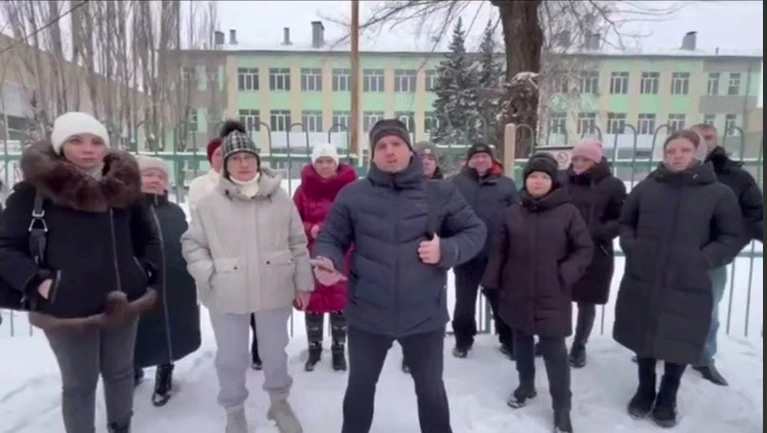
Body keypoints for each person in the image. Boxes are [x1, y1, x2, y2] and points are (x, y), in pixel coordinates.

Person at [311, 118, 486, 433]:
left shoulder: (440, 193)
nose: (389, 151)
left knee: (431, 391)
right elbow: (331, 237)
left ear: (410, 149)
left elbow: (475, 231)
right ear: (372, 155)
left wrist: (446, 250)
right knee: (360, 389)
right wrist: (327, 260)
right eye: (381, 145)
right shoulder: (353, 195)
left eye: (396, 144)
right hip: (367, 314)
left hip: (424, 316)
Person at [0, 112, 161, 433]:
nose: (88, 149)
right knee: (79, 384)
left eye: (96, 141)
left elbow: (148, 239)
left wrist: (142, 272)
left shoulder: (124, 189)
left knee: (120, 373)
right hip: (65, 307)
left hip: (124, 300)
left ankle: (121, 427)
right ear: (60, 145)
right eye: (76, 140)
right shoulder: (35, 192)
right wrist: (39, 283)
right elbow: (4, 246)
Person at [181, 120, 312, 433]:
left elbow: (297, 242)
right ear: (225, 165)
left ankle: (279, 403)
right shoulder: (210, 203)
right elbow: (192, 244)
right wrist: (210, 274)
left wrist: (303, 283)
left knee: (274, 353)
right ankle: (234, 410)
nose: (243, 164)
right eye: (235, 158)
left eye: (248, 157)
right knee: (231, 358)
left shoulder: (280, 199)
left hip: (274, 288)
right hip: (228, 291)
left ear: (257, 160)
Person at [614, 129, 742, 428]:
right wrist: (633, 246)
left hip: (688, 280)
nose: (677, 156)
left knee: (679, 336)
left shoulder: (717, 193)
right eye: (671, 151)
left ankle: (668, 395)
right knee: (644, 331)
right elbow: (626, 222)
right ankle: (645, 388)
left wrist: (703, 259)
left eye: (684, 150)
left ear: (697, 153)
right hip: (645, 275)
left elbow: (731, 236)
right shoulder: (647, 188)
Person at [482, 153, 593, 433]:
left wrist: (565, 273)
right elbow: (499, 250)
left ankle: (562, 408)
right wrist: (493, 280)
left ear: (553, 181)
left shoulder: (568, 212)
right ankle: (526, 385)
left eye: (544, 176)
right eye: (533, 176)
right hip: (516, 290)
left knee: (555, 351)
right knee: (521, 342)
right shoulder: (512, 213)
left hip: (552, 293)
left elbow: (584, 248)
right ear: (526, 180)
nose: (538, 181)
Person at [691, 123, 764, 386]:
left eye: (708, 137)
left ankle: (703, 358)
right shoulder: (671, 172)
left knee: (708, 310)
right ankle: (659, 349)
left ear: (716, 139)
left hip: (713, 259)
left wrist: (726, 246)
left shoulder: (737, 177)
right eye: (697, 137)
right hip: (673, 255)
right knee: (664, 305)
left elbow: (755, 215)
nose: (703, 142)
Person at [187, 135, 262, 370]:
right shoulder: (201, 186)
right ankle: (232, 352)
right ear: (211, 158)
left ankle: (258, 349)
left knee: (257, 307)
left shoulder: (250, 182)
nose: (223, 158)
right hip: (220, 257)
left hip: (252, 255)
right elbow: (199, 222)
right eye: (218, 154)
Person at [133, 156, 201, 406]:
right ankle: (133, 369)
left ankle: (165, 373)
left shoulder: (174, 211)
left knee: (170, 328)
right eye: (148, 175)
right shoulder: (125, 211)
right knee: (137, 330)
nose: (154, 180)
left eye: (160, 176)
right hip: (138, 284)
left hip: (175, 280)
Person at [561, 139, 626, 368]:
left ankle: (579, 344)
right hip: (562, 249)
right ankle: (554, 338)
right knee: (558, 296)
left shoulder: (612, 185)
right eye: (576, 158)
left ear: (596, 161)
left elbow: (622, 218)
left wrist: (598, 232)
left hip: (595, 250)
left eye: (585, 159)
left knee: (586, 301)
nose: (579, 163)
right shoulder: (562, 180)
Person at [292, 143, 356, 372]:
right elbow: (292, 221)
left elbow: (359, 219)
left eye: (329, 161)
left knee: (340, 304)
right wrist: (310, 229)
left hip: (342, 254)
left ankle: (339, 350)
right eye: (320, 161)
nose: (325, 165)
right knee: (314, 303)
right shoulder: (303, 191)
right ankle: (314, 349)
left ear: (336, 163)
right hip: (312, 254)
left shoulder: (351, 189)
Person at [450, 142, 518, 359]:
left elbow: (516, 215)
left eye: (485, 156)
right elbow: (447, 213)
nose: (480, 160)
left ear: (492, 159)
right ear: (469, 161)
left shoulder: (505, 184)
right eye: (476, 157)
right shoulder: (455, 183)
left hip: (495, 254)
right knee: (464, 302)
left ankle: (508, 340)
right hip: (466, 254)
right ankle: (463, 341)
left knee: (500, 301)